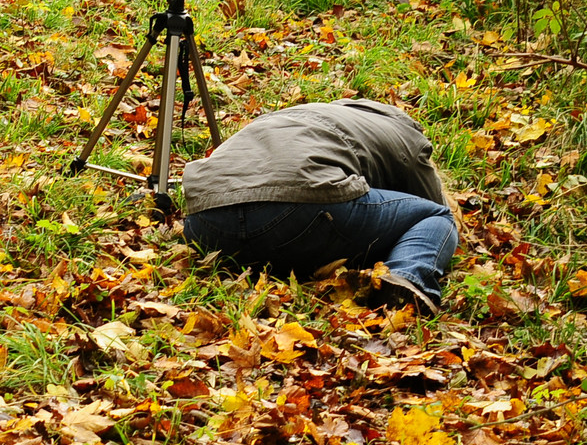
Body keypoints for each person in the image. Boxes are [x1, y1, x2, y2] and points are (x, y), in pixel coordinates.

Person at [180, 99, 458, 313]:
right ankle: (406, 280)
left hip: (205, 220)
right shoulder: (404, 134)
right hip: (301, 211)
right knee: (437, 217)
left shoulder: (289, 116)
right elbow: (430, 205)